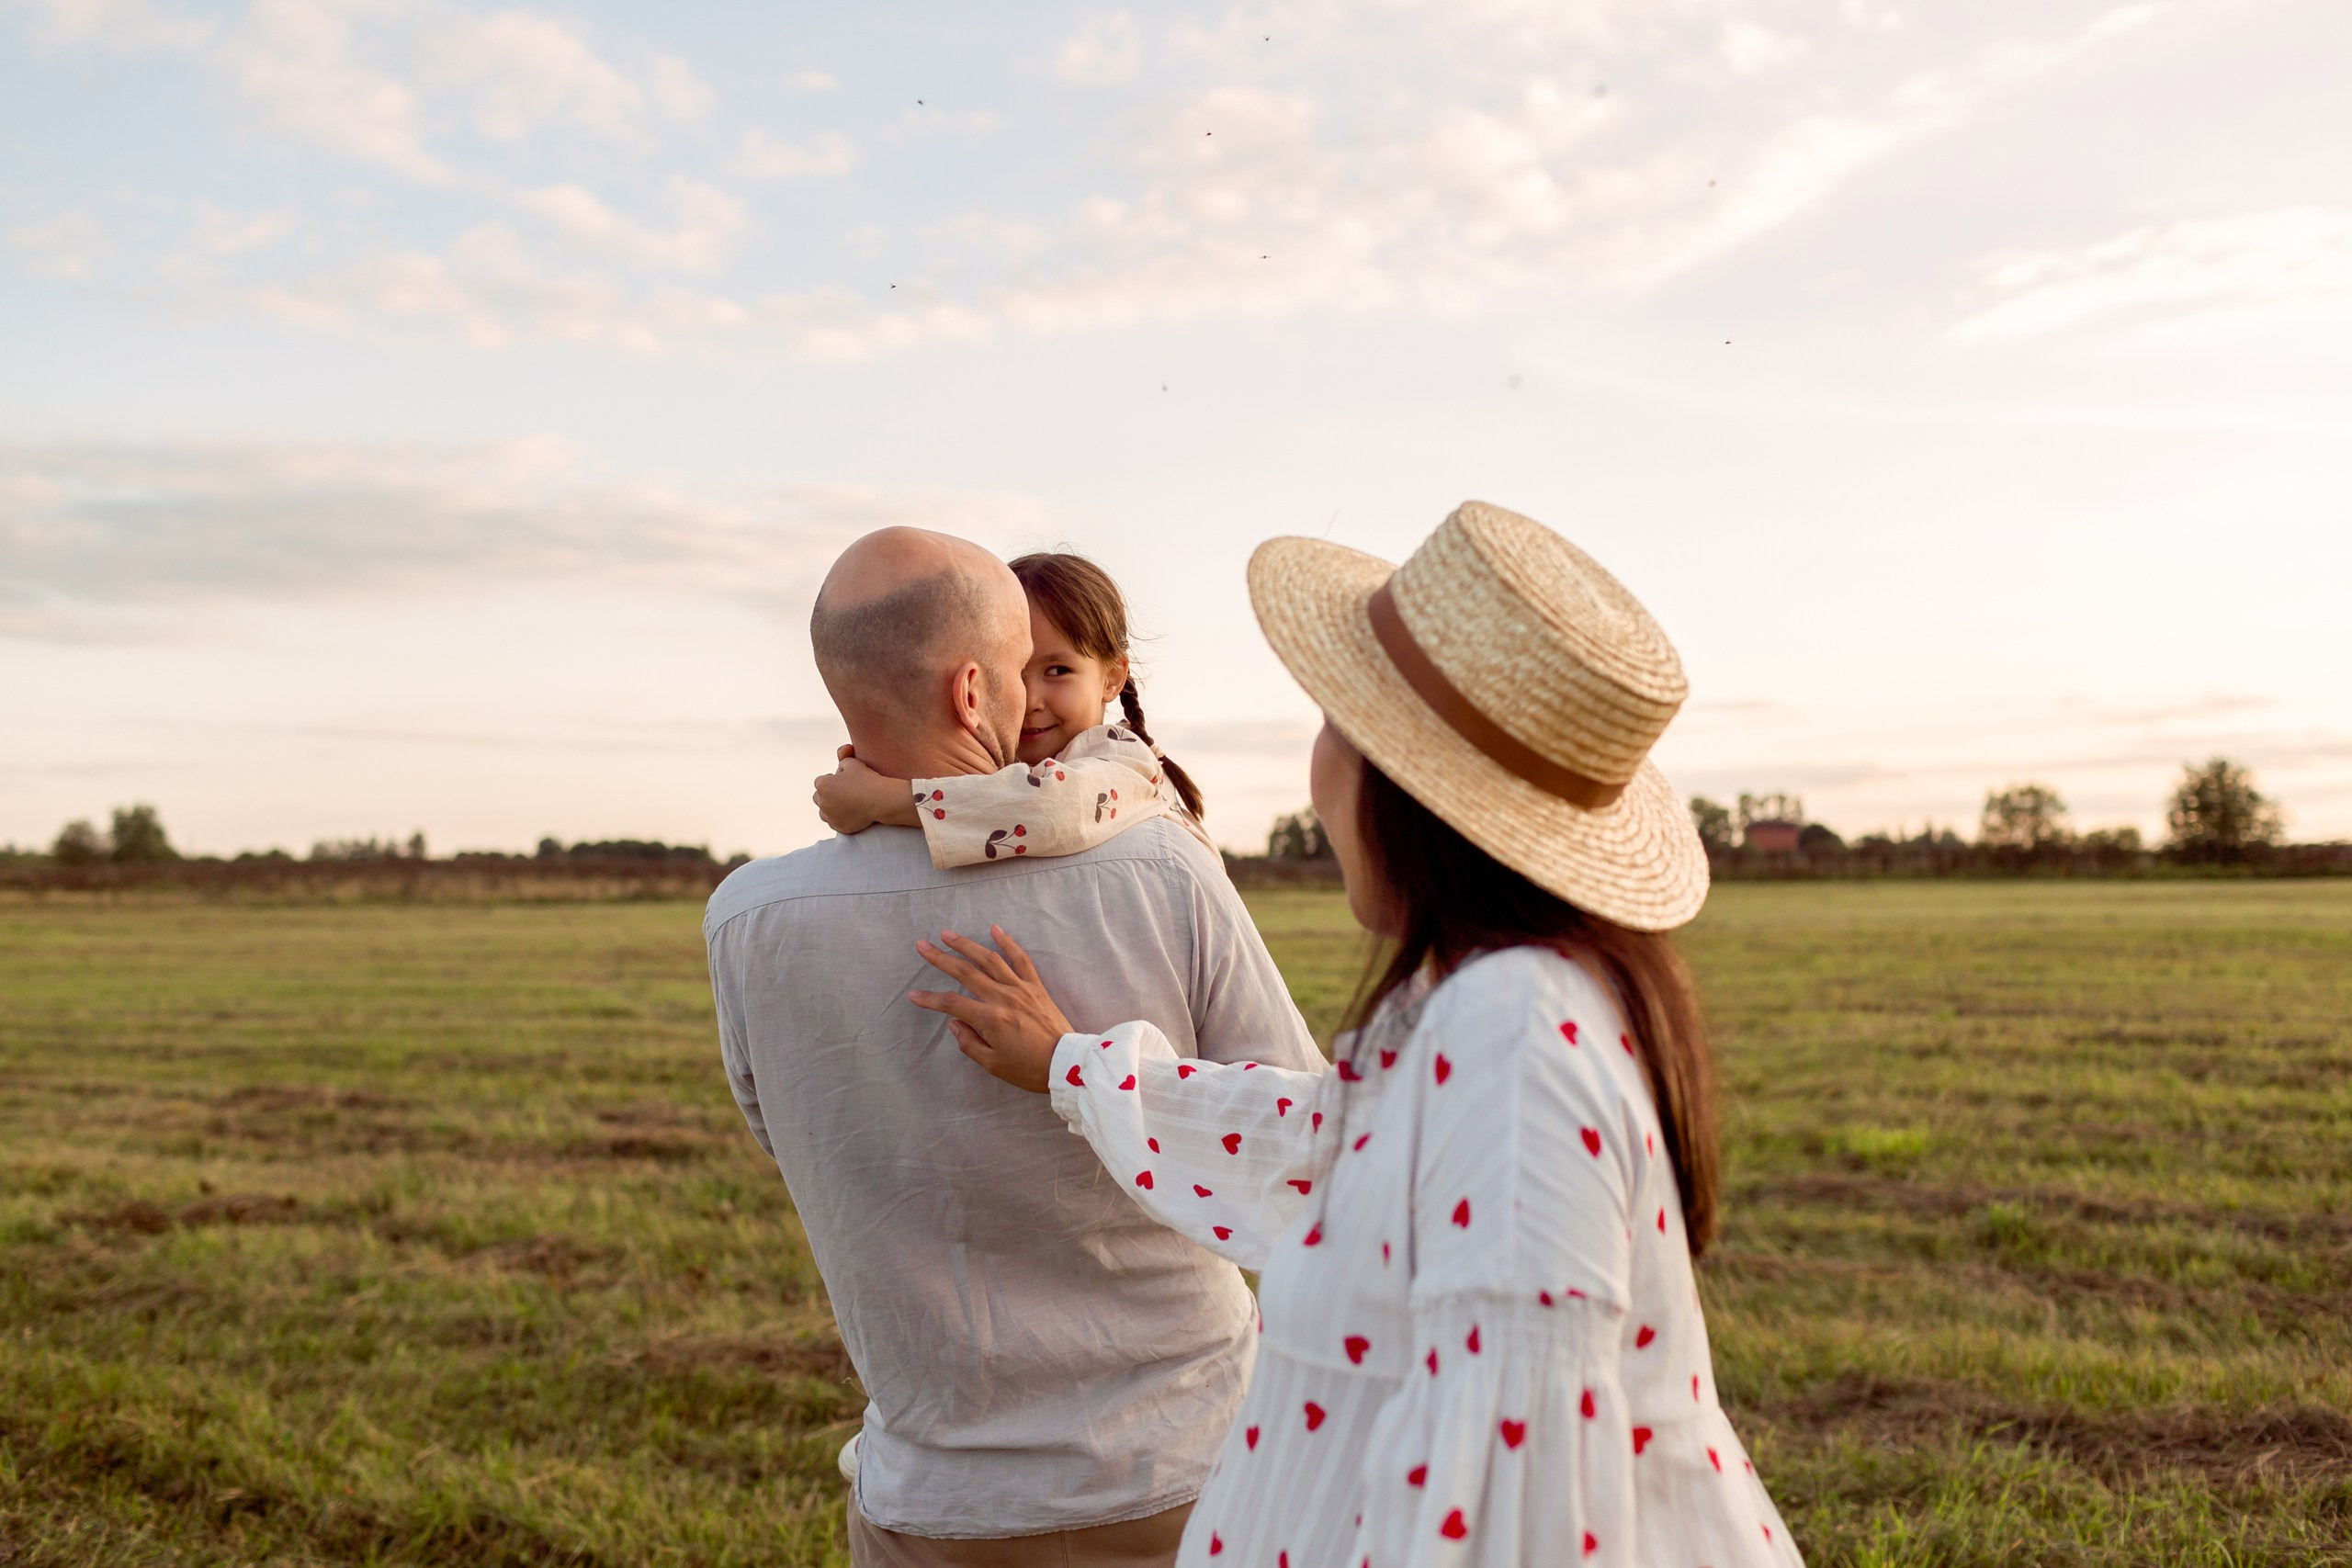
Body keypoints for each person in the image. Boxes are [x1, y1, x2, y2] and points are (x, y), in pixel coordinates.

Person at [908, 502, 1807, 1567]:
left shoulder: (1515, 1036)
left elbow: (1516, 1491)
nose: (1317, 765)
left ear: (1398, 782)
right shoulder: (1486, 1006)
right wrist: (1073, 1064)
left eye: (1334, 723)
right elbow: (1319, 1143)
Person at [703, 525, 1325, 1568]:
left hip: (934, 1500)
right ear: (969, 691)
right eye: (1016, 667)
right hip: (1186, 1468)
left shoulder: (747, 919)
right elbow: (1298, 1139)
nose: (1033, 698)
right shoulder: (1161, 870)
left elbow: (789, 1133)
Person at [813, 551, 1215, 863]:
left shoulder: (1120, 760)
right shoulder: (1012, 780)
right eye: (1016, 670)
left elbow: (1048, 807)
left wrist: (881, 800)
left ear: (1111, 678)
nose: (1030, 699)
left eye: (1058, 671)